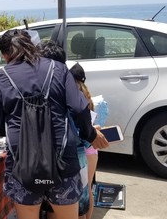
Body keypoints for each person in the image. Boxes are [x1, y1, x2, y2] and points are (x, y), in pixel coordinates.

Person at [0, 30, 108, 219]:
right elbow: (79, 108)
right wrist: (91, 135)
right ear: (32, 46)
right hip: (63, 162)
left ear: (5, 55)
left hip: (22, 164)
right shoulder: (58, 69)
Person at [69, 62, 98, 219]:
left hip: (81, 149)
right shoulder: (88, 95)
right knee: (88, 189)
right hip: (92, 149)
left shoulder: (74, 96)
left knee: (79, 191)